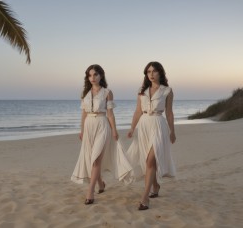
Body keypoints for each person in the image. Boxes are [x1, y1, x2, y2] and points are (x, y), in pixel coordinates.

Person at [71, 64, 132, 205]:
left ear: (101, 76)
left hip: (102, 124)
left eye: (95, 74)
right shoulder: (85, 94)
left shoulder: (107, 92)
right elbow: (84, 114)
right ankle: (101, 184)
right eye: (90, 75)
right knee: (91, 159)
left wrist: (114, 130)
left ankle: (90, 191)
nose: (92, 77)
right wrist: (81, 130)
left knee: (96, 159)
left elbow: (110, 114)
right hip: (88, 127)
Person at [127, 61, 176, 210]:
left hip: (159, 125)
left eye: (154, 71)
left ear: (160, 73)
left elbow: (169, 112)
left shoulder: (167, 90)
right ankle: (155, 185)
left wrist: (172, 131)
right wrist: (132, 128)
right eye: (148, 72)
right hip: (143, 125)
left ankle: (145, 198)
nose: (151, 74)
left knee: (150, 161)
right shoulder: (142, 91)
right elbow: (137, 111)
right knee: (149, 162)